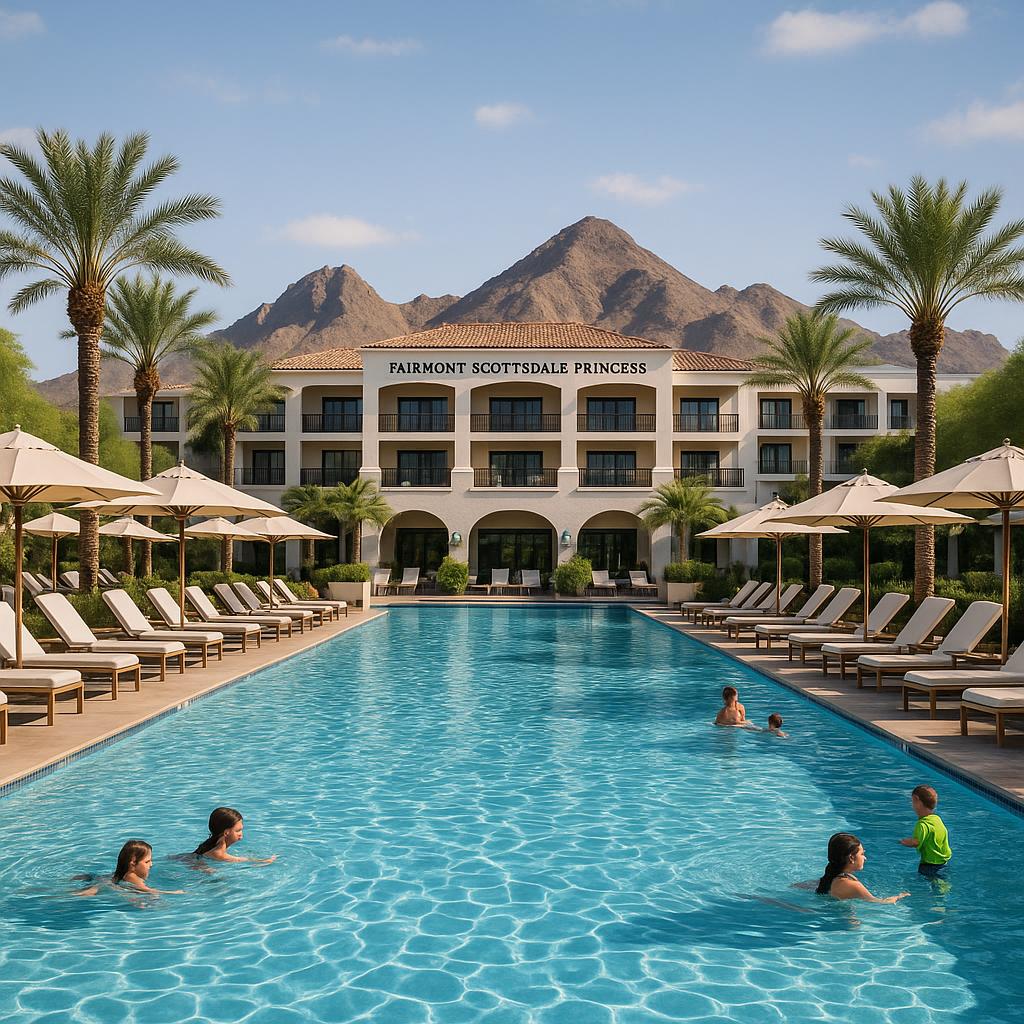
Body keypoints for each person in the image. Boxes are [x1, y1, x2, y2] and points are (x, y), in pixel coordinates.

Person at [815, 832, 910, 903]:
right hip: (844, 923)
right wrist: (899, 897)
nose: (865, 858)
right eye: (862, 854)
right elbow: (880, 903)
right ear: (851, 857)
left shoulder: (829, 878)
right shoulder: (853, 885)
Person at [76, 840, 184, 896]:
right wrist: (173, 893)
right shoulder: (133, 877)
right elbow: (147, 890)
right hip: (103, 885)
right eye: (147, 861)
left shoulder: (123, 873)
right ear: (132, 864)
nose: (151, 864)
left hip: (102, 879)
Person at [899, 784, 952, 876]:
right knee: (940, 882)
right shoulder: (937, 819)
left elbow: (916, 842)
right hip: (943, 863)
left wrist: (905, 842)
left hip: (929, 865)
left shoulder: (922, 824)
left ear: (917, 800)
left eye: (912, 801)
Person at [193, 807, 277, 864]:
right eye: (238, 830)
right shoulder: (218, 853)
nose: (241, 834)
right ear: (226, 833)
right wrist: (264, 861)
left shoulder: (210, 846)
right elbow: (243, 860)